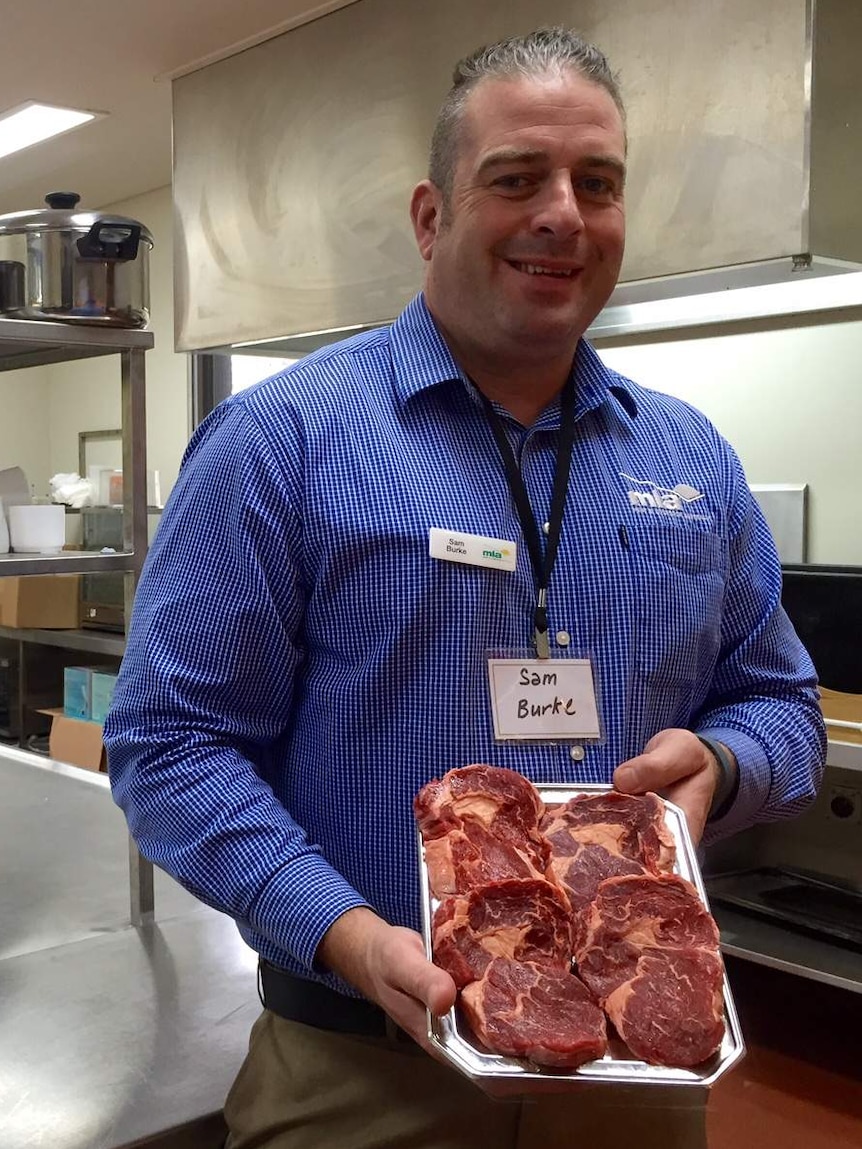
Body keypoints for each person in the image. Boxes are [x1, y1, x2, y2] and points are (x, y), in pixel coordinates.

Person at [105, 25, 826, 1149]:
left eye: (597, 182)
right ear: (431, 215)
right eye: (515, 178)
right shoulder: (280, 443)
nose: (562, 214)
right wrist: (342, 932)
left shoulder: (690, 460)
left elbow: (779, 703)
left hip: (635, 1071)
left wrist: (723, 766)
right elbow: (171, 743)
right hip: (362, 1073)